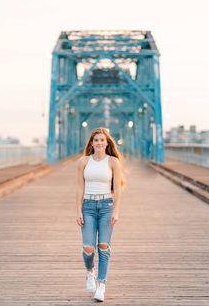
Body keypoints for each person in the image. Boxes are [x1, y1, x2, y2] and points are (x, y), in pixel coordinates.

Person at [76, 127, 125, 302]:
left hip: (106, 206)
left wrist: (116, 211)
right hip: (88, 206)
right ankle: (90, 271)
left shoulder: (113, 162)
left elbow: (118, 188)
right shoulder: (83, 161)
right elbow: (79, 188)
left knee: (104, 246)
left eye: (102, 140)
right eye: (96, 140)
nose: (99, 143)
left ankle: (101, 285)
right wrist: (78, 211)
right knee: (88, 248)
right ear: (91, 142)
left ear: (107, 143)